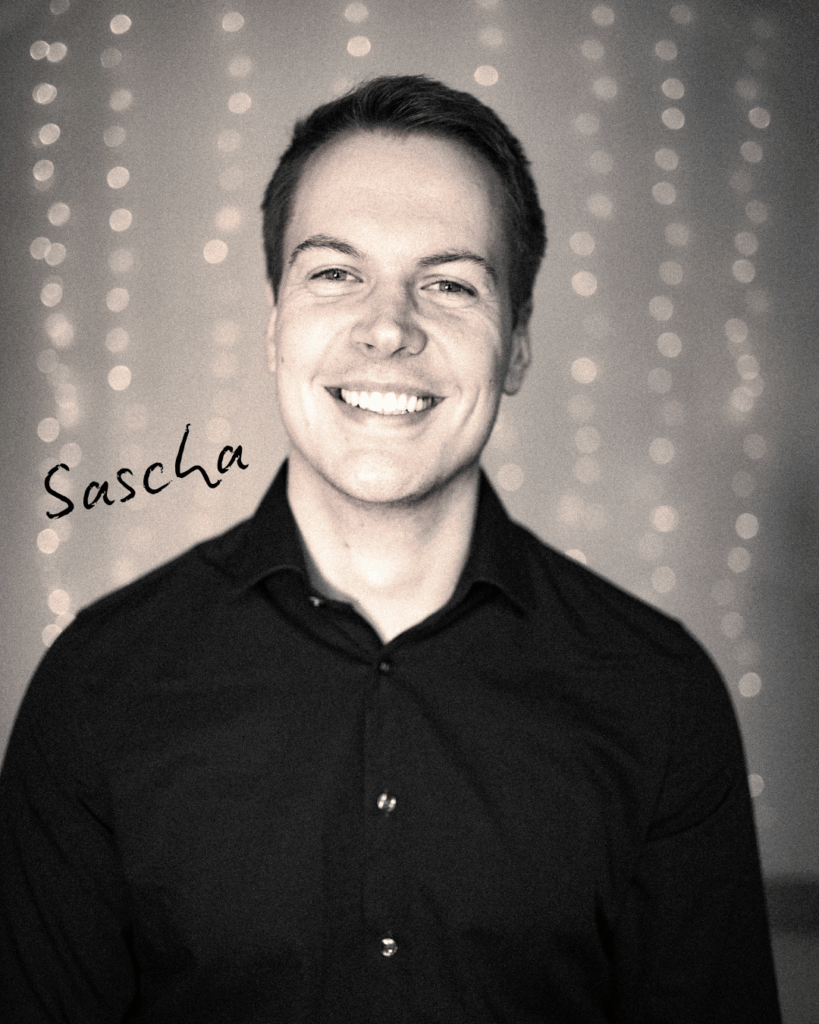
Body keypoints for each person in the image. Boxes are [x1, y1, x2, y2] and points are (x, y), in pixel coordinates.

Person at [0, 75, 781, 1023]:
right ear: (275, 325)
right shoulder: (98, 687)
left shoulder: (657, 696)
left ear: (516, 345)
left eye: (448, 284)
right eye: (335, 273)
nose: (387, 327)